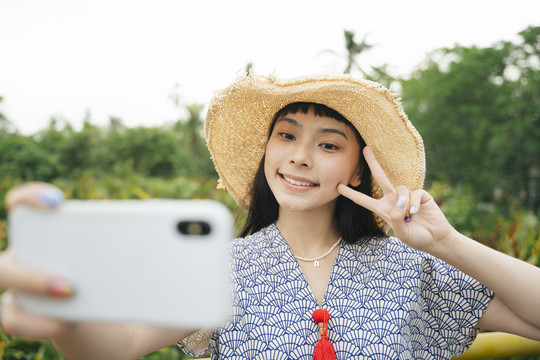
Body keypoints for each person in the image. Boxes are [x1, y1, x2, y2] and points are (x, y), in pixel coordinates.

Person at [1, 73, 539, 359]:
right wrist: (65, 314)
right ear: (268, 153)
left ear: (356, 171)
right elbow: (115, 346)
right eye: (286, 136)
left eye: (329, 145)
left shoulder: (414, 266)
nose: (300, 156)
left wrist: (447, 243)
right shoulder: (220, 268)